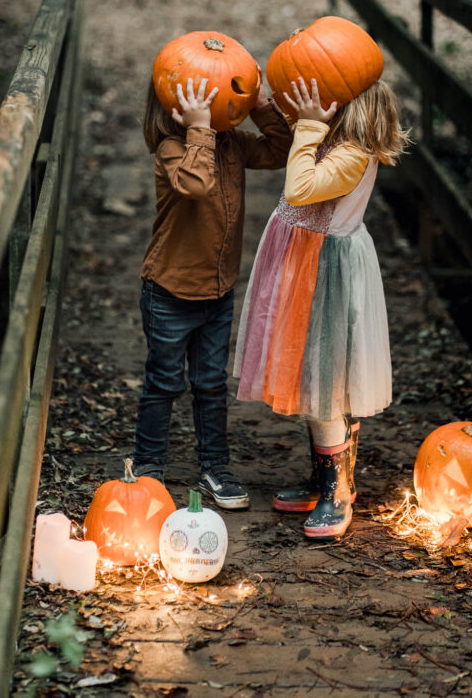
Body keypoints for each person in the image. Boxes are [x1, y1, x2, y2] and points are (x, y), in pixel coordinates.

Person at [234, 74, 409, 537]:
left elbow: (299, 188)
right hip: (302, 265)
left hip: (325, 273)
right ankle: (326, 477)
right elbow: (292, 136)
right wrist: (262, 104)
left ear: (346, 106)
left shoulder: (352, 153)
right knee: (309, 378)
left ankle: (337, 491)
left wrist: (310, 126)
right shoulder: (331, 137)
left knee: (324, 380)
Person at [133, 69, 293, 509]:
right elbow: (196, 185)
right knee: (163, 383)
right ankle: (147, 470)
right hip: (169, 292)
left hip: (217, 293)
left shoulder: (233, 144)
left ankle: (214, 468)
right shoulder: (171, 149)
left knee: (210, 384)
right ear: (175, 106)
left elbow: (281, 149)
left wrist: (259, 104)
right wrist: (199, 128)